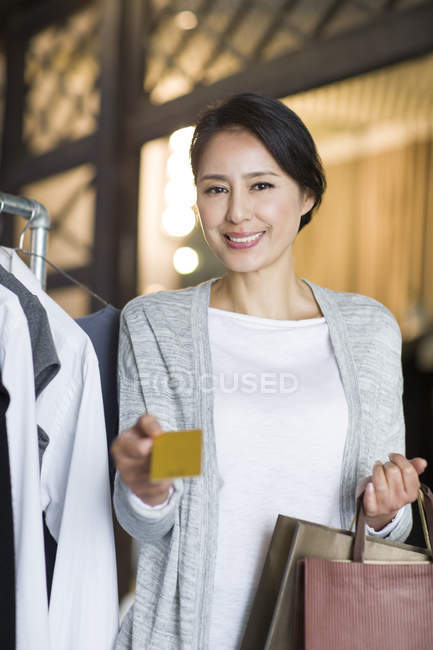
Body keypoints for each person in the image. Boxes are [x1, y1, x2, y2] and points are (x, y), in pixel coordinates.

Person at [111, 92, 427, 650]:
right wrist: (147, 485)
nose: (237, 213)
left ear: (306, 194)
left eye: (261, 185)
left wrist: (384, 512)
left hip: (326, 629)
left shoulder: (366, 329)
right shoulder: (159, 325)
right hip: (190, 634)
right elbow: (154, 517)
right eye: (216, 189)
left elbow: (384, 526)